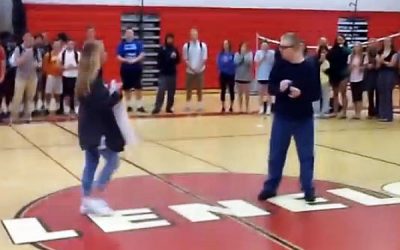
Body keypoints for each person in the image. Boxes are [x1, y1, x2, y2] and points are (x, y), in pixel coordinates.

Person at [258, 32, 321, 203]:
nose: (280, 50)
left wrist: (302, 93)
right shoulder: (280, 66)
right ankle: (270, 187)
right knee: (276, 154)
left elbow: (316, 93)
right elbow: (270, 88)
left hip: (304, 119)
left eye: (283, 47)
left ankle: (308, 188)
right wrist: (280, 88)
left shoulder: (309, 67)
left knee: (306, 155)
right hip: (282, 117)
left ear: (294, 48)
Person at [77, 41, 124, 216]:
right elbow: (103, 104)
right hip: (97, 131)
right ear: (96, 57)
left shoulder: (85, 79)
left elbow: (96, 101)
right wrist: (116, 95)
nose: (106, 55)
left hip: (88, 129)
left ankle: (86, 198)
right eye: (103, 52)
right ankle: (94, 196)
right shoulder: (94, 81)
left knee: (91, 162)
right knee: (113, 161)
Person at [9, 32, 41, 123]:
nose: (29, 39)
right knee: (17, 97)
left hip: (32, 77)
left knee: (30, 97)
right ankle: (14, 116)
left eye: (30, 38)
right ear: (23, 38)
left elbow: (40, 62)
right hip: (21, 77)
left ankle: (27, 115)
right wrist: (26, 54)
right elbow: (17, 63)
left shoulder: (36, 50)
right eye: (27, 38)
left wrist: (37, 64)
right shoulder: (18, 49)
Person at [117, 28, 146, 113]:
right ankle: (128, 105)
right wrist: (125, 60)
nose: (129, 34)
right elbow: (118, 56)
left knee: (138, 87)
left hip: (136, 68)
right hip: (125, 69)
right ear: (125, 35)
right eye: (127, 33)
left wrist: (135, 60)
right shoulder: (121, 44)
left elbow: (142, 54)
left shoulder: (138, 43)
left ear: (133, 34)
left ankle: (139, 105)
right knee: (126, 88)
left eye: (130, 33)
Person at [152, 33, 180, 114]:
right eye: (168, 39)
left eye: (171, 39)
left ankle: (169, 107)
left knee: (171, 92)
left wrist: (176, 57)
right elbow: (159, 61)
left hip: (172, 74)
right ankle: (157, 107)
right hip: (163, 73)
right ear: (166, 39)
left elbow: (178, 61)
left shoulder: (175, 49)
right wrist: (169, 58)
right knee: (161, 90)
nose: (170, 40)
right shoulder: (162, 49)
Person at [183, 28, 208, 112]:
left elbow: (204, 59)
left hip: (200, 70)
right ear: (190, 36)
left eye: (195, 34)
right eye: (192, 35)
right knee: (188, 88)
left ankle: (199, 105)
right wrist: (192, 68)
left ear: (197, 35)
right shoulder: (186, 46)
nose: (194, 36)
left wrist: (198, 68)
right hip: (189, 71)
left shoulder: (202, 45)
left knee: (199, 88)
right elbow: (185, 59)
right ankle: (188, 105)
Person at [327, 34, 351, 118]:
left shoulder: (347, 50)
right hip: (334, 74)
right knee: (335, 94)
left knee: (343, 93)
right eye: (338, 40)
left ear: (344, 40)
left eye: (341, 39)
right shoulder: (332, 51)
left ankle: (344, 112)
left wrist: (342, 48)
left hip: (343, 74)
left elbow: (349, 58)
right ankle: (335, 111)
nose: (339, 41)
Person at [377, 38, 398, 122]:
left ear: (391, 43)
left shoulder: (394, 53)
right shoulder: (379, 52)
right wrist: (380, 61)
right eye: (385, 41)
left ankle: (388, 115)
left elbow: (392, 64)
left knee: (388, 93)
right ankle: (382, 114)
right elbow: (378, 65)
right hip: (381, 73)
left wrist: (383, 61)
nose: (386, 43)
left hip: (390, 73)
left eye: (388, 41)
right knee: (381, 93)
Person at [58, 39, 80, 115]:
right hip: (66, 76)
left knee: (76, 93)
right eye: (69, 44)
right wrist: (66, 68)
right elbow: (59, 65)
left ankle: (76, 108)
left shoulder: (78, 54)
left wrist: (73, 67)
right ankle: (66, 109)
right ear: (66, 44)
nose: (70, 45)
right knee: (66, 93)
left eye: (72, 44)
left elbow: (80, 65)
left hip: (75, 76)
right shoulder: (62, 54)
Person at [254, 40, 275, 115]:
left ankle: (269, 108)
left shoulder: (272, 53)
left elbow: (273, 63)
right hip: (260, 76)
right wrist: (263, 57)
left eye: (266, 46)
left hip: (269, 76)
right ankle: (261, 108)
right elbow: (257, 63)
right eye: (263, 46)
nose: (265, 47)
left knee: (269, 93)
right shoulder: (258, 53)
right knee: (261, 93)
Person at [43, 40, 63, 115]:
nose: (57, 46)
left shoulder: (61, 55)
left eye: (58, 45)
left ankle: (57, 108)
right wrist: (49, 73)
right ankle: (47, 107)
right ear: (53, 46)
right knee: (48, 92)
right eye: (55, 45)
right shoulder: (48, 55)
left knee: (58, 93)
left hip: (59, 76)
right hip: (51, 76)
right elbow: (44, 66)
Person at [217, 40, 235, 113]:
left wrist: (228, 65)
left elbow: (234, 64)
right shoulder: (220, 54)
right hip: (223, 74)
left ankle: (231, 106)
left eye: (227, 44)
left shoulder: (232, 54)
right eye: (224, 44)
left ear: (229, 45)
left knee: (231, 90)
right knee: (223, 90)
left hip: (231, 74)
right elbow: (219, 64)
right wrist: (225, 65)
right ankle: (223, 106)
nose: (225, 45)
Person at [348, 42, 365, 119]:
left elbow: (365, 67)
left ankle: (359, 113)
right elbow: (348, 69)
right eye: (355, 47)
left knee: (359, 96)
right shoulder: (350, 57)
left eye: (358, 47)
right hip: (352, 78)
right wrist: (351, 66)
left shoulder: (363, 56)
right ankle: (355, 112)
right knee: (354, 96)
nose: (356, 48)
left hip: (360, 78)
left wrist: (359, 67)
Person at [234, 42, 253, 113]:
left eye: (245, 47)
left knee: (247, 94)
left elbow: (249, 62)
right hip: (239, 76)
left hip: (247, 77)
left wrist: (244, 56)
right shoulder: (237, 54)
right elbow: (236, 62)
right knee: (239, 94)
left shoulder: (249, 54)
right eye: (242, 47)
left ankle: (247, 107)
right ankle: (240, 107)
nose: (243, 48)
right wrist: (241, 56)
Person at [313, 45, 330, 118]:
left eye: (325, 52)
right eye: (322, 52)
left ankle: (325, 111)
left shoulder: (329, 60)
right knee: (316, 96)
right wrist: (320, 61)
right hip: (317, 80)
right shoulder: (315, 60)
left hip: (326, 81)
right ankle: (316, 111)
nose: (323, 53)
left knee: (326, 96)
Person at [364, 38, 380, 119]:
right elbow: (366, 65)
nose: (372, 44)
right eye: (370, 43)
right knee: (370, 93)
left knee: (378, 93)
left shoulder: (379, 53)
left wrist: (372, 65)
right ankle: (371, 112)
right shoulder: (367, 54)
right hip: (369, 75)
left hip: (377, 75)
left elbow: (377, 66)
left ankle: (377, 111)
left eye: (373, 43)